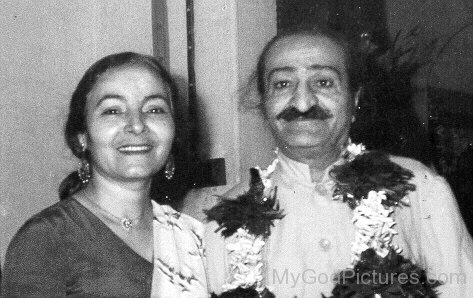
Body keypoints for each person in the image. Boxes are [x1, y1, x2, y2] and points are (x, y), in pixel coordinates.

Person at [204, 28, 473, 297]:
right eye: (282, 84)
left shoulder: (418, 188)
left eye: (323, 82)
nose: (302, 101)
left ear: (354, 100)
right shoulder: (223, 221)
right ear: (264, 104)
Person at [1, 52, 208, 297]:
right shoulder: (46, 239)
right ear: (82, 137)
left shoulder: (189, 236)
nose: (137, 124)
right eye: (113, 111)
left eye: (154, 109)